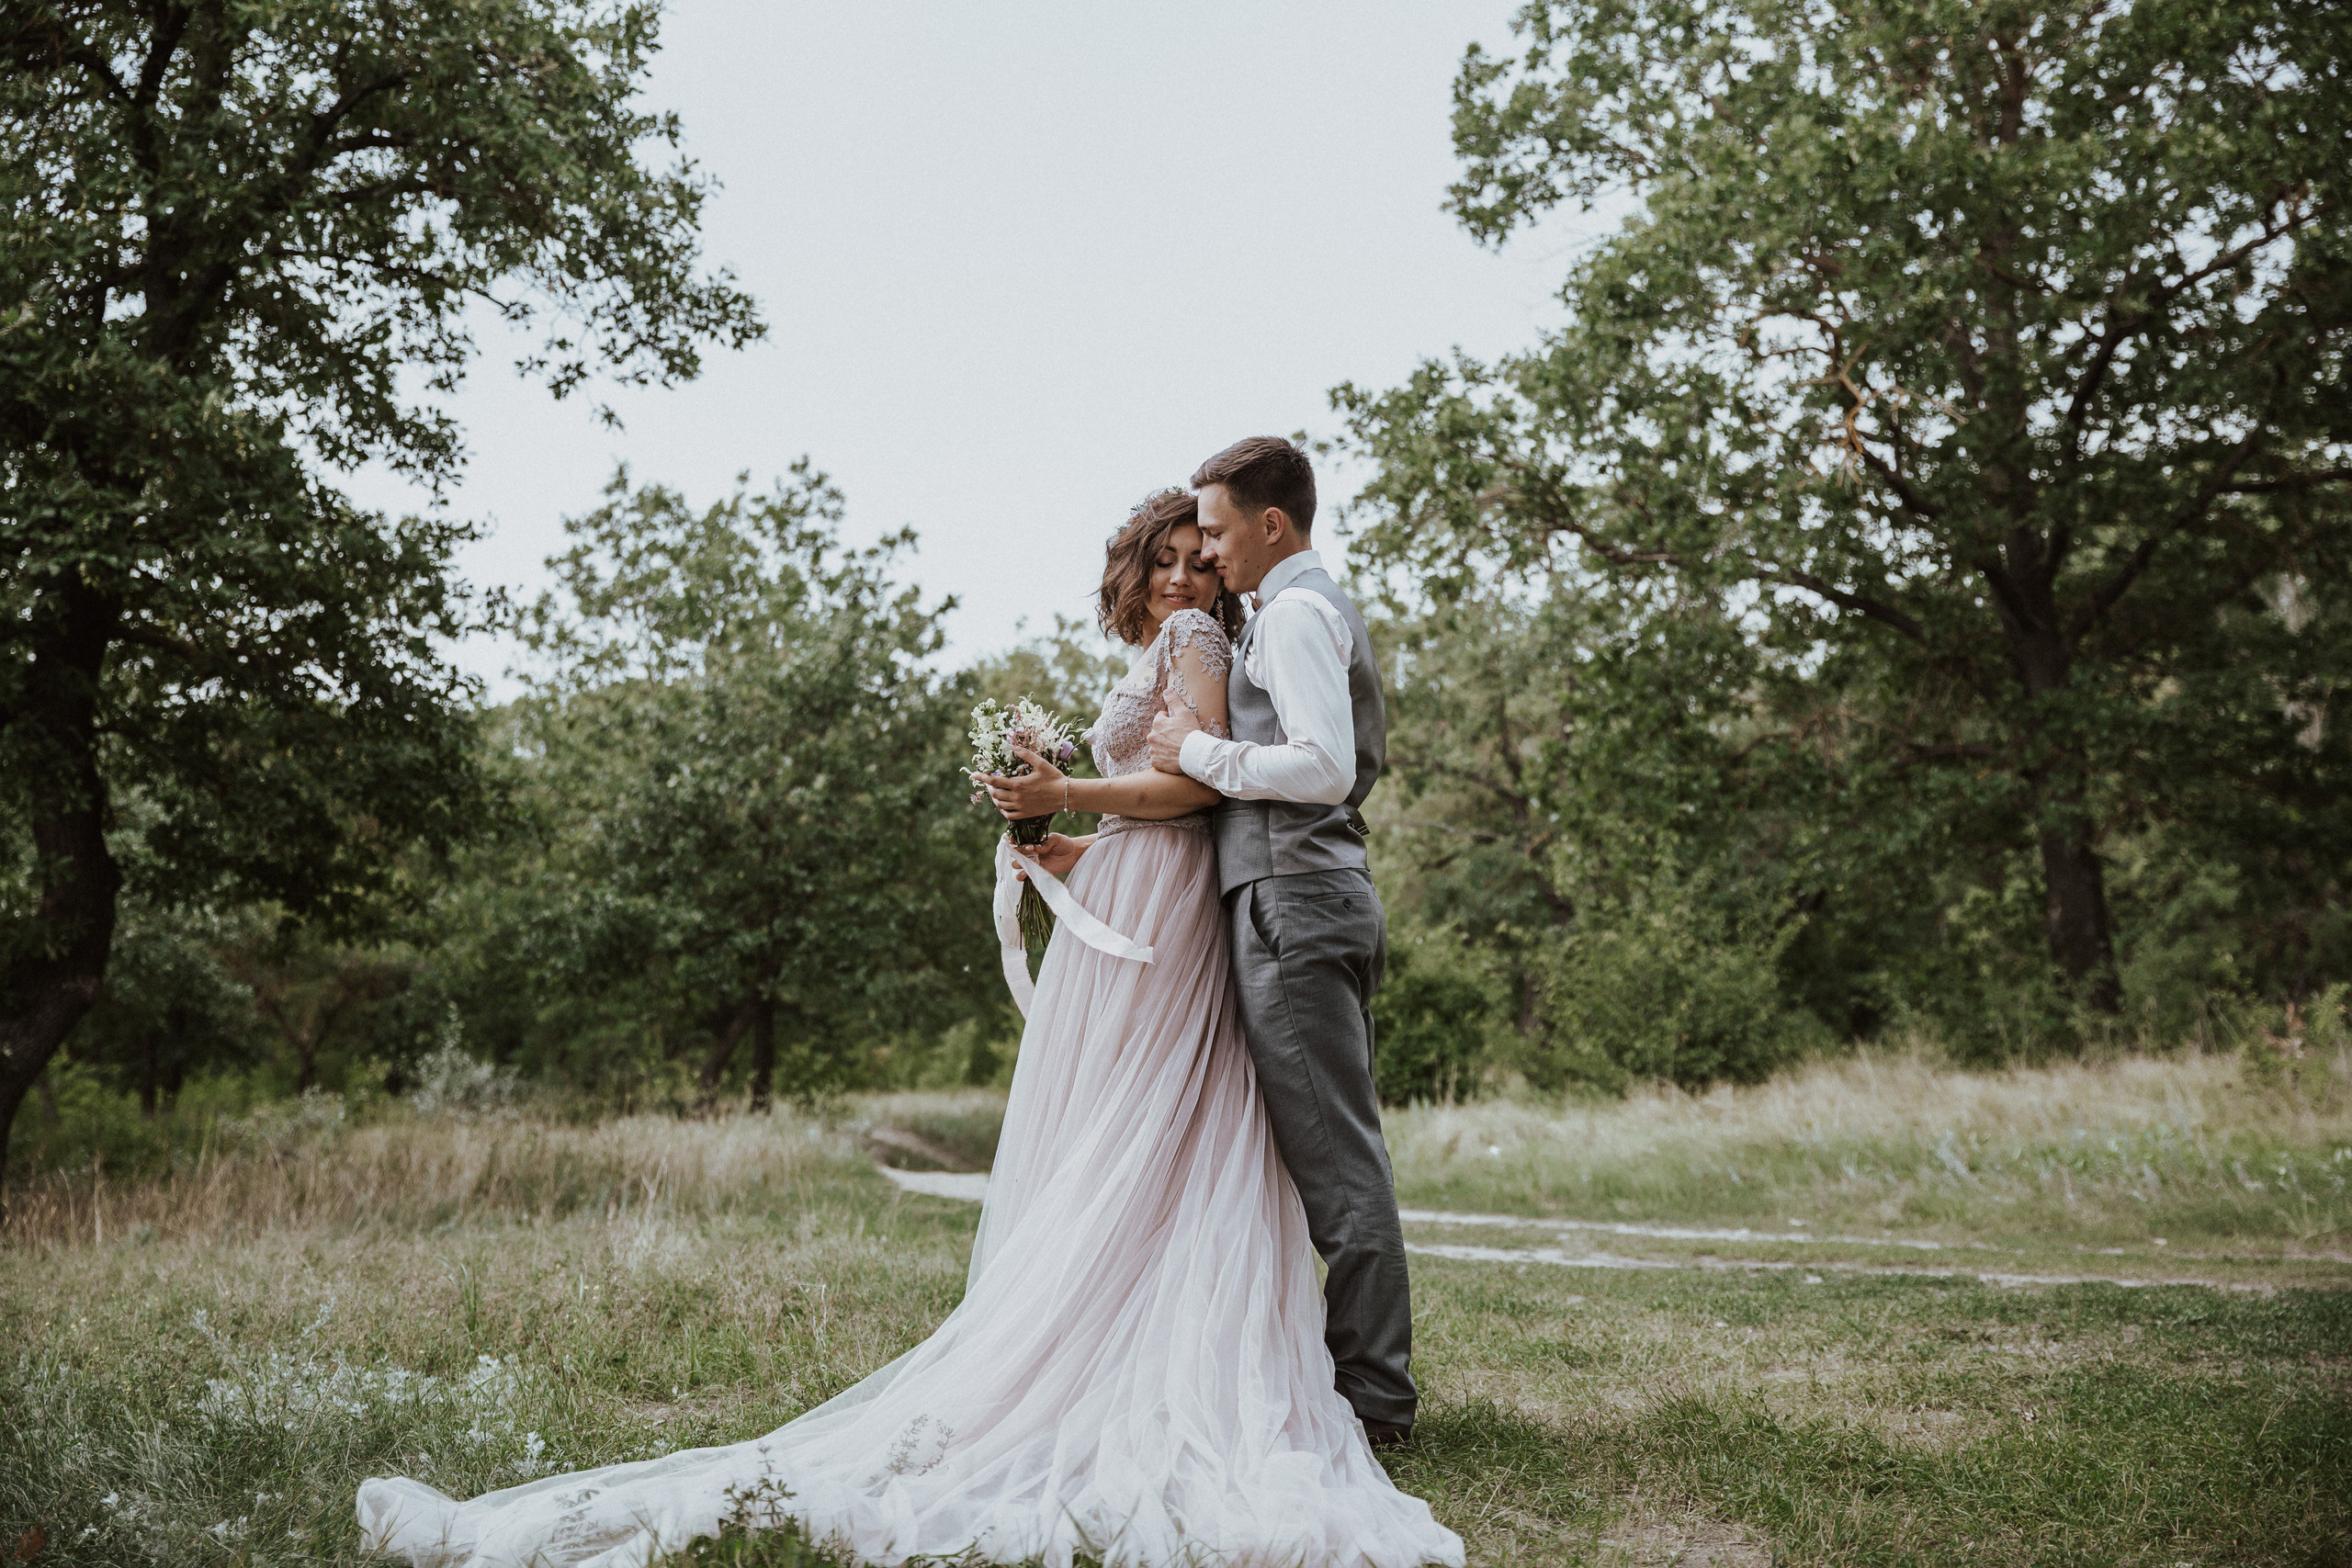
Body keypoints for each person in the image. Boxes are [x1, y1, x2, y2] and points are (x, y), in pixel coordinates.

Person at [354, 488, 1464, 1568]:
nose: (1186, 573)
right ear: (1134, 566)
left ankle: (1335, 1386)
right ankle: (1112, 1328)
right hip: (1144, 895)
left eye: (1200, 551)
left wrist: (1065, 801)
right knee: (1123, 1130)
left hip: (1195, 909)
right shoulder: (1180, 638)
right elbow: (1164, 808)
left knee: (1177, 1126)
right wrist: (1052, 841)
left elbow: (1197, 794)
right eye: (1167, 556)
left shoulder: (1211, 640)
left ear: (1238, 546)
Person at [1144, 436, 1416, 1446]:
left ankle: (1375, 1406)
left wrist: (1197, 750)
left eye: (1214, 531)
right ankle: (1348, 1378)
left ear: (1271, 524)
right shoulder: (1298, 613)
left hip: (1292, 905)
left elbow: (1324, 768)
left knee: (1340, 1166)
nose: (1205, 553)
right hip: (1307, 893)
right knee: (1334, 1154)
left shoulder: (1297, 614)